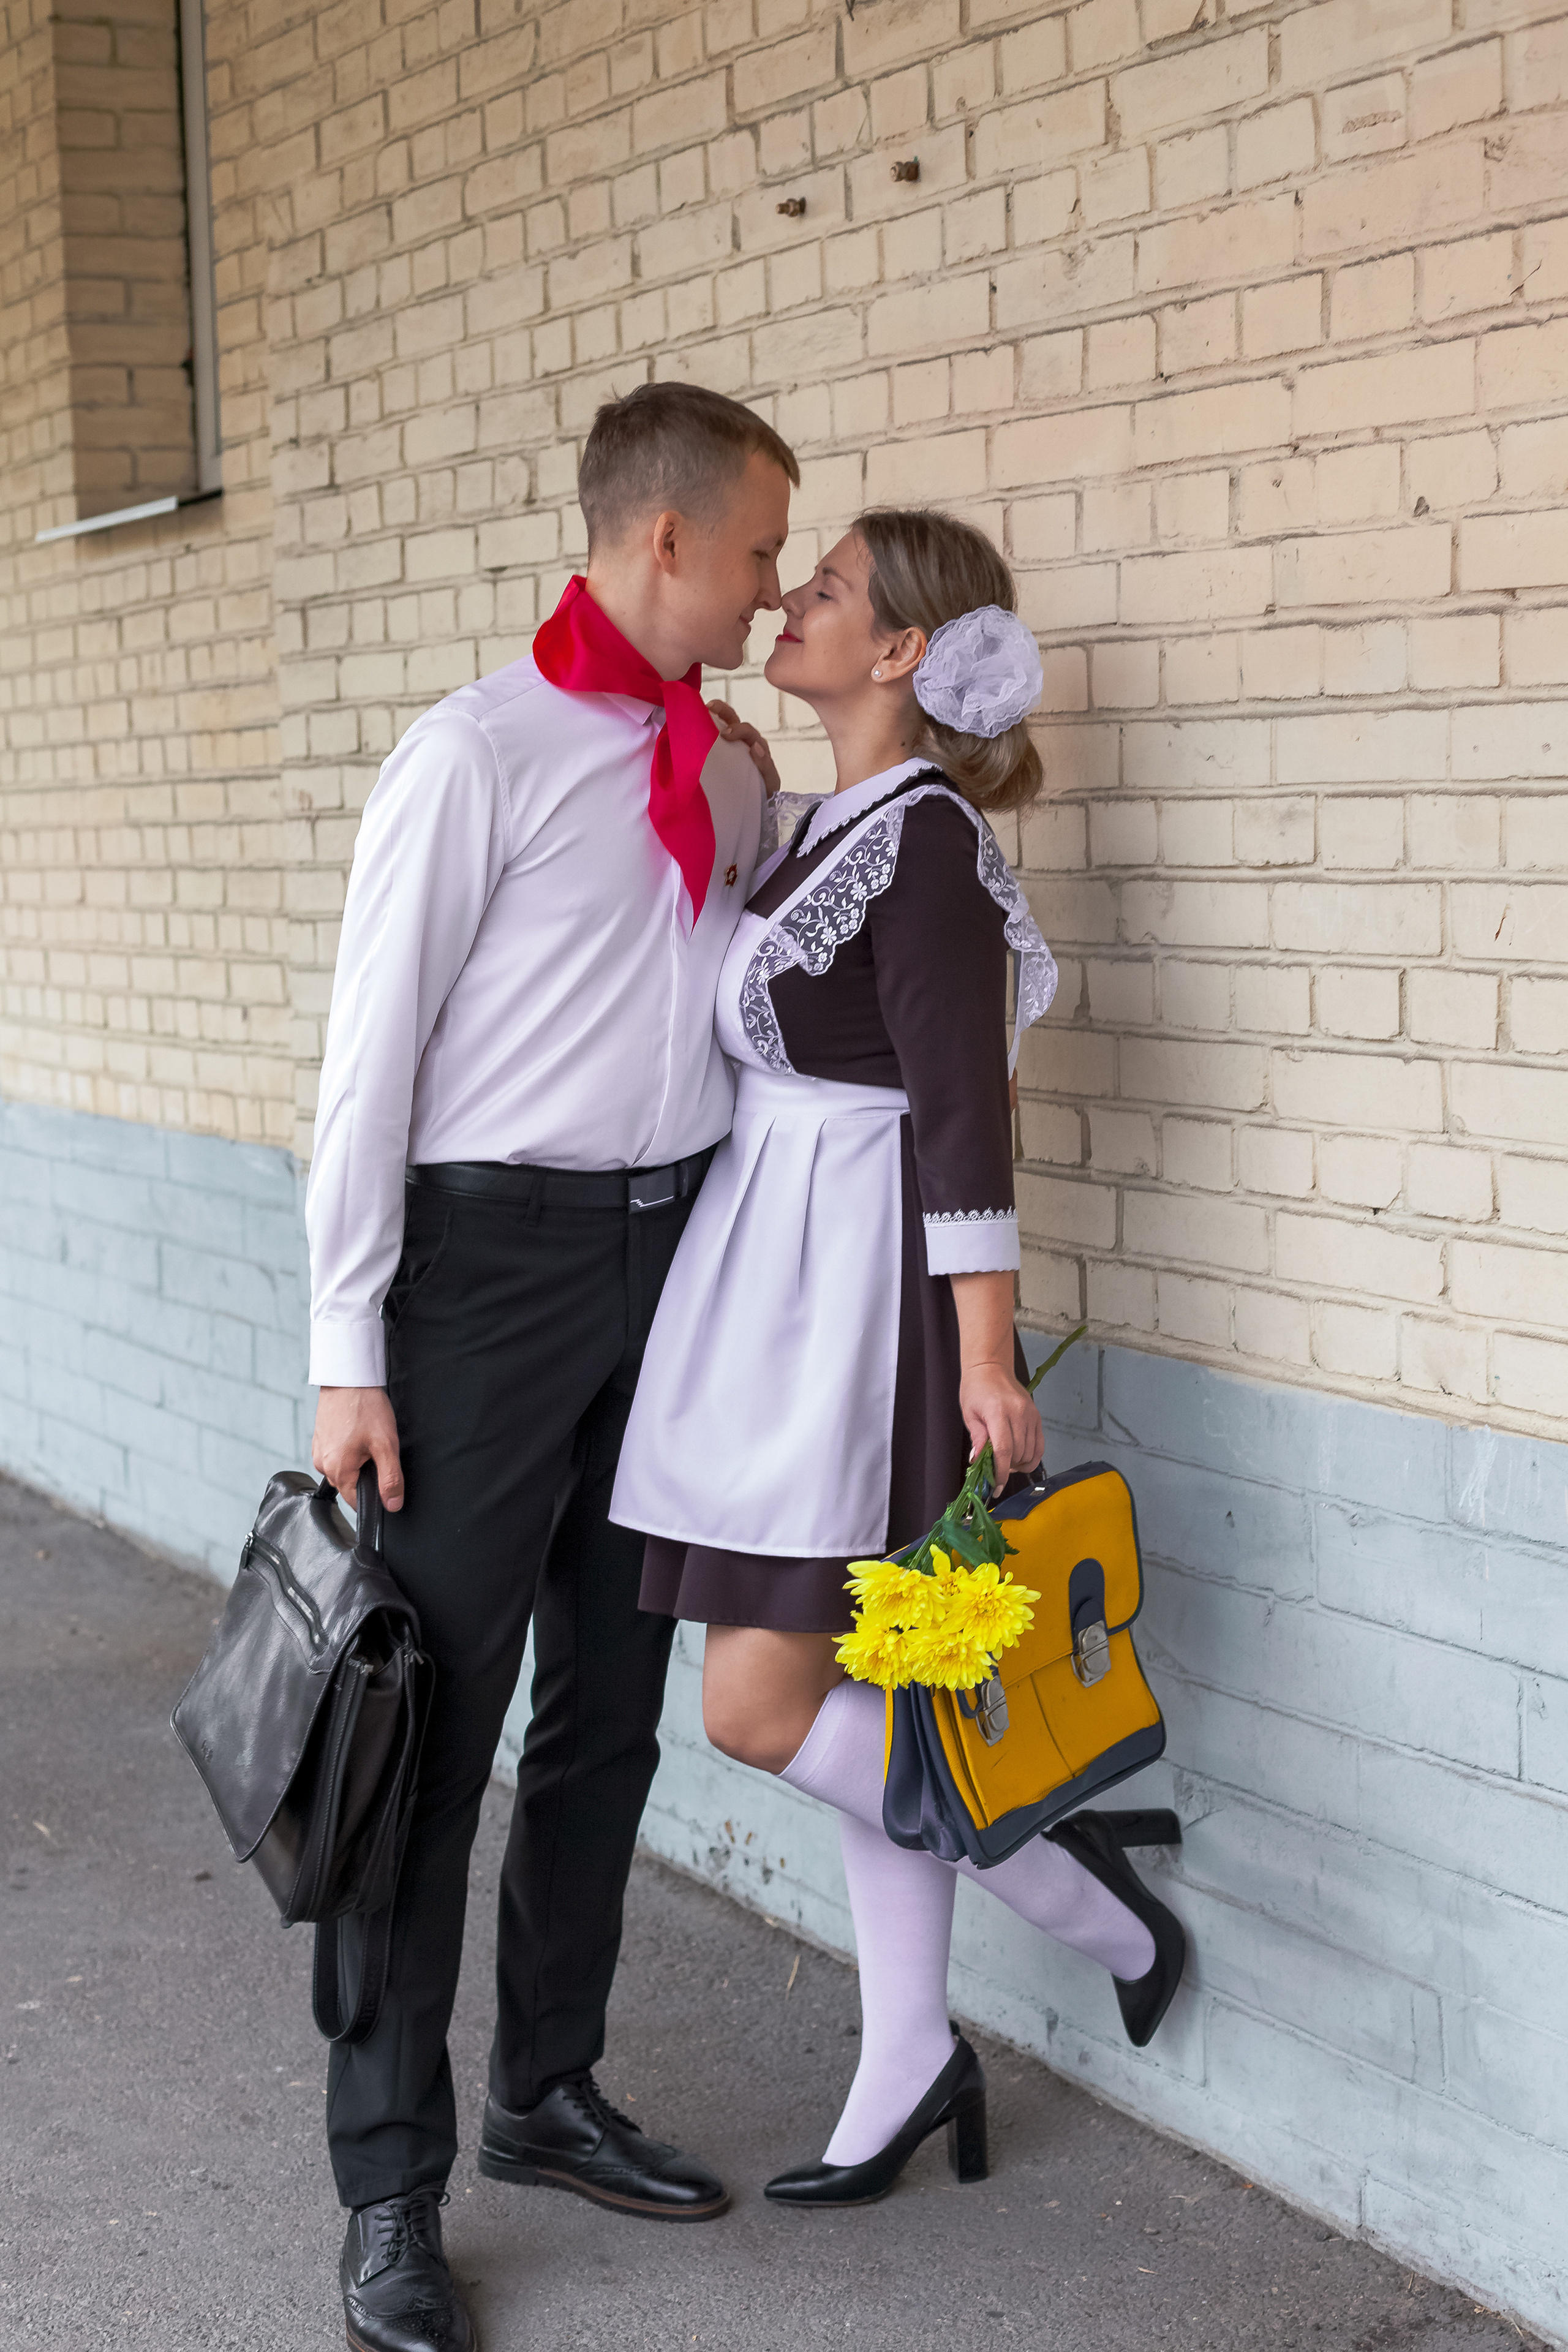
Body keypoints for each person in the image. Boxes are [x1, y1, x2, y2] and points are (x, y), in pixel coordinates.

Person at [611, 508, 1186, 2206]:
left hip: (859, 1303)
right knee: (863, 1693)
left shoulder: (923, 845)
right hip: (772, 1287)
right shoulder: (822, 823)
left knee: (761, 1705)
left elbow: (963, 1116)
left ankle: (1082, 1896)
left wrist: (987, 1360)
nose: (790, 599)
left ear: (901, 655)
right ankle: (910, 2049)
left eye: (830, 586)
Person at [305, 380, 797, 2352]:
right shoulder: (474, 758)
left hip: (669, 1260)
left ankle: (547, 2090)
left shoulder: (728, 774)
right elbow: (369, 1064)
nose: (772, 586)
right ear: (662, 538)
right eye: (761, 549)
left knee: (609, 1712)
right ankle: (389, 2188)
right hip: (484, 1283)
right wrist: (350, 1345)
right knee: (422, 1739)